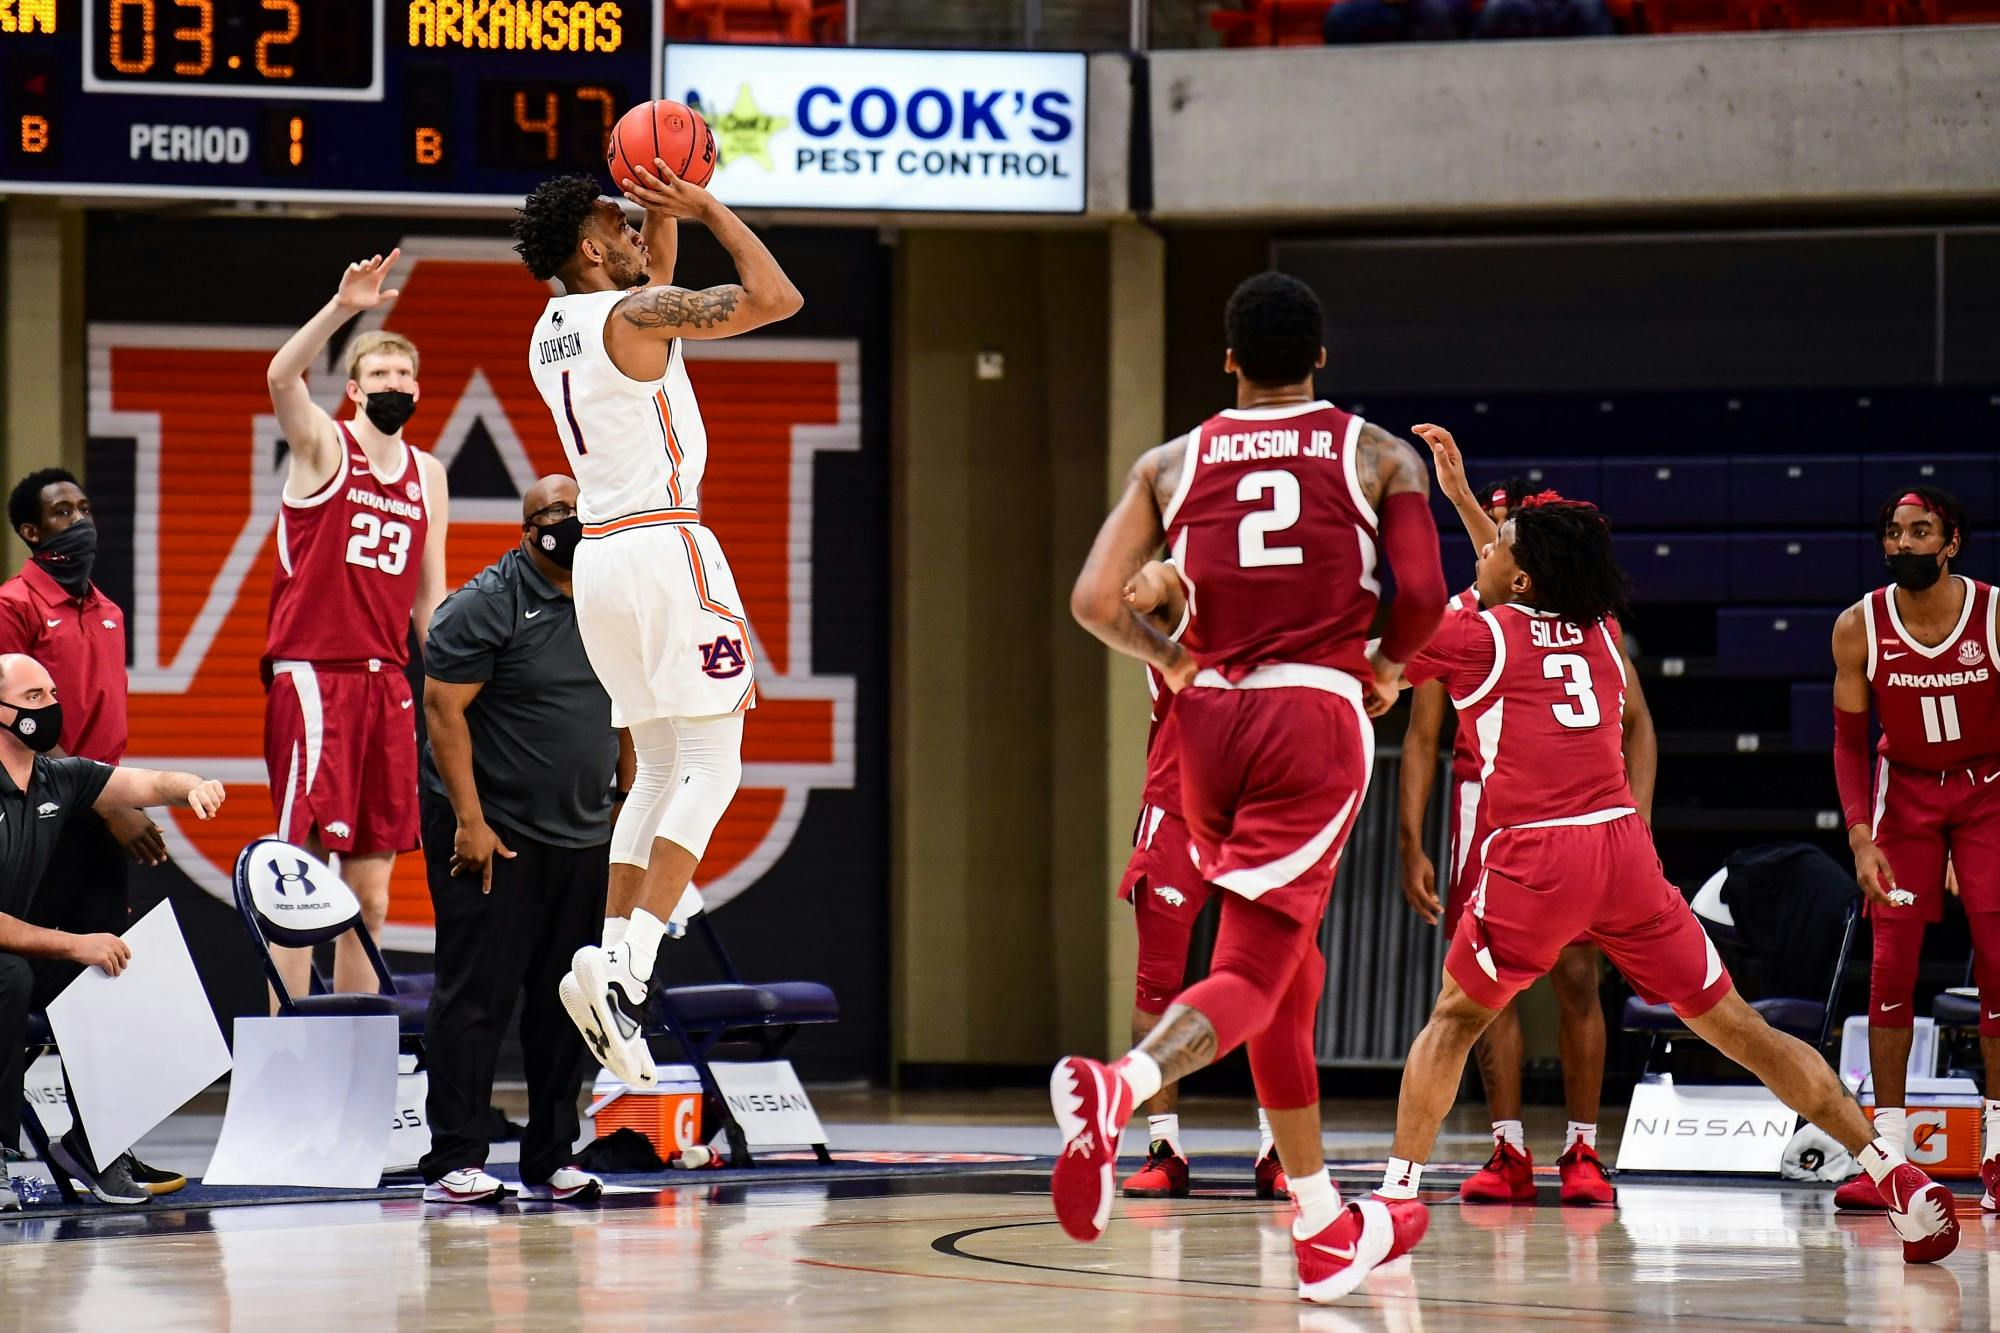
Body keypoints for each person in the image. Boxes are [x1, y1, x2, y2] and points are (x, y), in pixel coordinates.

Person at [1371, 425, 1958, 1287]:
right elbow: (1518, 568)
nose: (1489, 549)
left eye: (1501, 545)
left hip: (1540, 856)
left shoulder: (1478, 635)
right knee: (1742, 1029)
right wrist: (1466, 499)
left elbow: (1399, 633)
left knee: (1456, 1019)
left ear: (1520, 576)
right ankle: (1893, 1173)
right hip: (1625, 852)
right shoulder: (1602, 628)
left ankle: (1391, 1204)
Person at [1051, 271, 1448, 1304]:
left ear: (1227, 359)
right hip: (1308, 713)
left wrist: (1176, 665)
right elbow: (1420, 595)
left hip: (1206, 724)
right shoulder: (1373, 452)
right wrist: (1392, 669)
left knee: (1285, 970)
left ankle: (1318, 1221)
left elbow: (1093, 599)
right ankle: (1118, 1084)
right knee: (1258, 964)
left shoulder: (1169, 460)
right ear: (1320, 355)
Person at [510, 162, 801, 1088]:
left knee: (657, 767)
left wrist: (657, 219)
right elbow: (776, 297)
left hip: (601, 559)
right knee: (715, 765)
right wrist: (708, 205)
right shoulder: (636, 317)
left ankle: (607, 960)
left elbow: (653, 278)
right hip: (669, 548)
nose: (639, 228)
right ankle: (633, 966)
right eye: (621, 222)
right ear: (592, 247)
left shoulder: (555, 327)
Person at [1398, 476, 1641, 1207]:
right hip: (1490, 808)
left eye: (1504, 531)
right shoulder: (1470, 619)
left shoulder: (1580, 620)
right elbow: (1421, 734)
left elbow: (1640, 724)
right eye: (1492, 526)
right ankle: (1507, 1145)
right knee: (1485, 990)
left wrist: (1635, 820)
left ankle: (1580, 1147)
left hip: (1574, 815)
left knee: (1572, 978)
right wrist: (1412, 839)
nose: (1492, 536)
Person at [417, 475, 631, 1206]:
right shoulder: (486, 603)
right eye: (551, 515)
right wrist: (471, 822)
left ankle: (549, 1156)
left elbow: (626, 708)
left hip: (580, 832)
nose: (566, 523)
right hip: (491, 832)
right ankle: (454, 1157)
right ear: (524, 531)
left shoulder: (610, 601)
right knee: (476, 995)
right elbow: (443, 712)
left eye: (578, 510)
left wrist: (627, 805)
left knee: (565, 999)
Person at [264, 258, 452, 999]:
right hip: (314, 675)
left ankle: (351, 1060)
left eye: (404, 376)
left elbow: (428, 601)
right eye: (378, 374)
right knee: (299, 887)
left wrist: (454, 696)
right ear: (353, 388)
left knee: (369, 898)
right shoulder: (323, 443)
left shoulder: (428, 473)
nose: (393, 386)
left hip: (386, 685)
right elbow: (282, 378)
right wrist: (342, 308)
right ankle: (283, 1060)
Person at [0, 470, 183, 1196]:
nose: (79, 519)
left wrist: (123, 799)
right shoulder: (14, 605)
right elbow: (21, 727)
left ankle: (103, 1143)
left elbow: (108, 727)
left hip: (99, 820)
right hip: (45, 819)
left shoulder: (106, 607)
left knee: (107, 972)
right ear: (30, 532)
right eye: (59, 511)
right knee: (25, 974)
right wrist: (108, 805)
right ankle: (16, 1148)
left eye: (82, 505)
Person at [0, 654, 227, 1209]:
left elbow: (145, 782)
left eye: (53, 693)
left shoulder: (59, 776)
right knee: (12, 976)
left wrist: (191, 785)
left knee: (115, 966)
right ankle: (3, 1153)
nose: (51, 707)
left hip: (16, 945)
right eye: (34, 699)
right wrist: (75, 943)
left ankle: (93, 1144)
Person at [1827, 487, 2000, 1212]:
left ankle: (1997, 1151)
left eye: (1920, 531)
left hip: (1989, 790)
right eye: (1895, 532)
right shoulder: (1858, 624)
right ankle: (1889, 1157)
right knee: (1890, 969)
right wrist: (1861, 835)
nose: (1904, 544)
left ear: (1951, 540)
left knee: (1998, 962)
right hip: (1905, 797)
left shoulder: (1993, 612)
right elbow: (1847, 740)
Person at [1112, 560, 1286, 1202]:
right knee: (1158, 984)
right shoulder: (1183, 582)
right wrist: (1142, 585)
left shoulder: (1289, 592)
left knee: (1273, 982)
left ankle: (1277, 1147)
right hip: (1179, 807)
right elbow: (1152, 586)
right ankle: (1163, 1146)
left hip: (1263, 812)